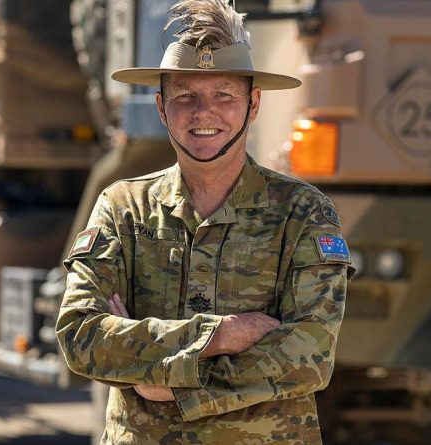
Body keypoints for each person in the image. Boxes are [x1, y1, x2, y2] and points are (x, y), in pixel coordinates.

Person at [56, 0, 355, 443]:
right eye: (185, 96)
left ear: (252, 106)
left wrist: (167, 382)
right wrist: (218, 336)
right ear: (161, 108)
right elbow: (82, 337)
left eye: (223, 95)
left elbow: (308, 355)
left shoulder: (302, 213)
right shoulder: (123, 208)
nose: (203, 112)